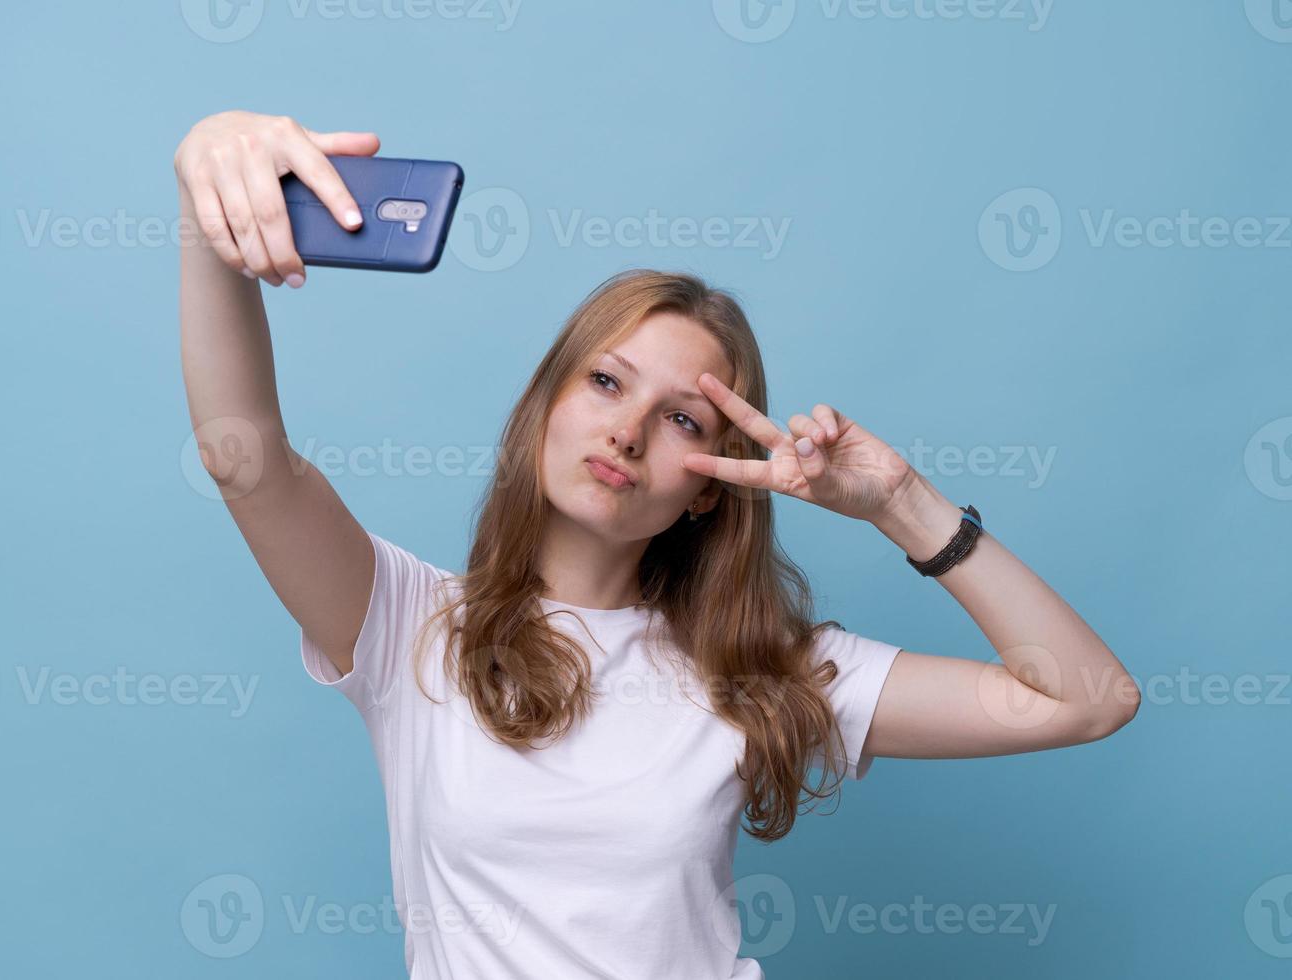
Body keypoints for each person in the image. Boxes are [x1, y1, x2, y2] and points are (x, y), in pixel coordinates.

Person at [174, 109, 1141, 980]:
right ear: (542, 408)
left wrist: (902, 503)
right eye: (605, 382)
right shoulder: (410, 626)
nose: (628, 432)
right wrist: (208, 208)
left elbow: (1090, 700)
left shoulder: (762, 671)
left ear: (713, 488)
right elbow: (244, 458)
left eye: (682, 418)